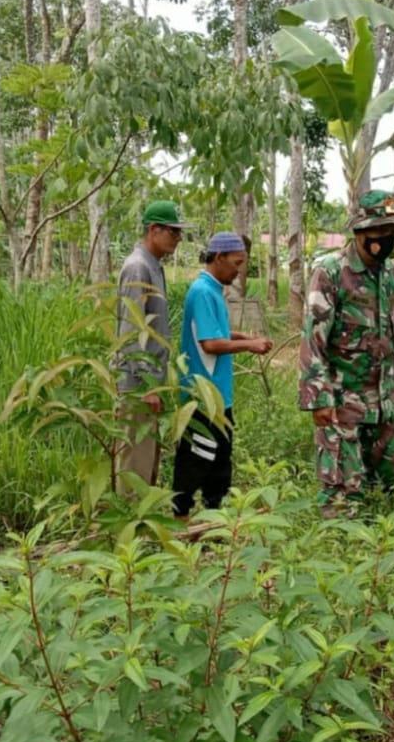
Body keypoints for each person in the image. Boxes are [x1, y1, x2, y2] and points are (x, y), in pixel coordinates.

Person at [298, 191, 394, 518]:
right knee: (343, 498)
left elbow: (393, 330)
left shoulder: (389, 272)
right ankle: (340, 555)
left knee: (390, 488)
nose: (390, 239)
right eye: (382, 233)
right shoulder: (331, 272)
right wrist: (319, 398)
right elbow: (314, 338)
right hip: (342, 401)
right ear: (360, 232)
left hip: (382, 401)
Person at [172, 232, 274, 519]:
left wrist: (240, 335)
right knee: (195, 460)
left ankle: (212, 518)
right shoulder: (203, 291)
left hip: (218, 396)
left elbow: (214, 333)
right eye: (236, 262)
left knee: (219, 461)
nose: (239, 270)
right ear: (219, 258)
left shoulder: (213, 289)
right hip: (202, 396)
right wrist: (249, 345)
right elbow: (210, 344)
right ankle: (180, 520)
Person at [114, 199, 192, 490]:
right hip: (137, 384)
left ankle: (140, 525)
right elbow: (133, 329)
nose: (178, 238)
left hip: (149, 383)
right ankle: (127, 529)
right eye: (173, 231)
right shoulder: (138, 267)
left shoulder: (153, 266)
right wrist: (146, 386)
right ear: (153, 229)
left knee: (147, 458)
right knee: (134, 461)